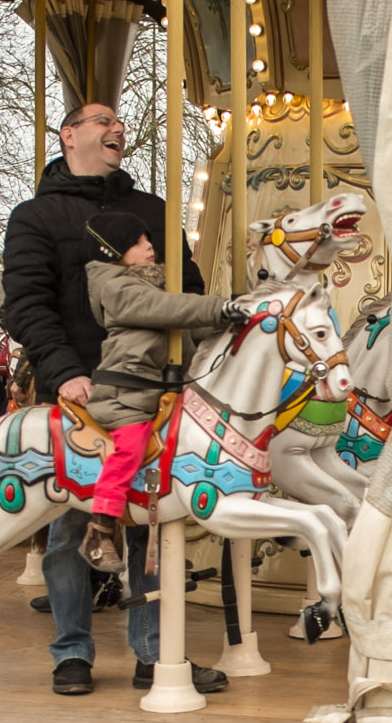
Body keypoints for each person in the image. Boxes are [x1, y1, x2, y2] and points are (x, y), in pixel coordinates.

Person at [0, 102, 221, 697]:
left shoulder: (150, 211)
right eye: (100, 119)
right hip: (78, 389)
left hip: (152, 386)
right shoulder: (36, 217)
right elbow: (25, 302)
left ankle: (154, 650)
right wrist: (65, 369)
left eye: (119, 121)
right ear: (69, 135)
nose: (115, 126)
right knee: (72, 522)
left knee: (151, 518)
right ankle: (72, 649)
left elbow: (187, 290)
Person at [78, 211, 241, 572]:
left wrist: (231, 326)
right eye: (137, 242)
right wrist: (219, 308)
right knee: (131, 445)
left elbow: (184, 332)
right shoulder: (117, 288)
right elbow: (167, 310)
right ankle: (100, 528)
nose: (149, 246)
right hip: (126, 393)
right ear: (113, 251)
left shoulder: (149, 285)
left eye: (147, 239)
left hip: (159, 391)